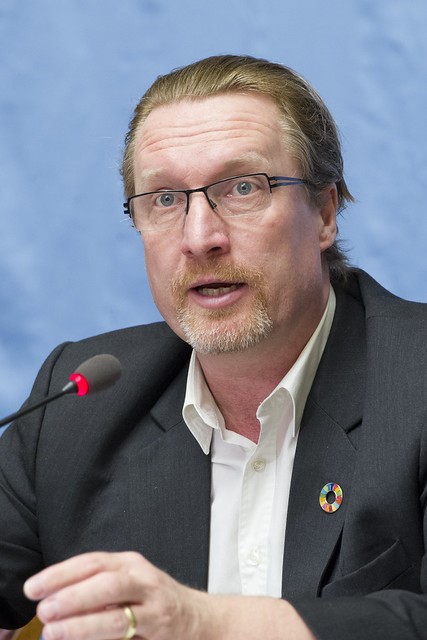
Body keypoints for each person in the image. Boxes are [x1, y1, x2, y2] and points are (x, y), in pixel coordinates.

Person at [0, 54, 426, 640]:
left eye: (243, 188)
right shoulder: (78, 401)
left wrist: (202, 623)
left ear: (325, 213)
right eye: (164, 199)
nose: (200, 238)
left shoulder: (415, 377)